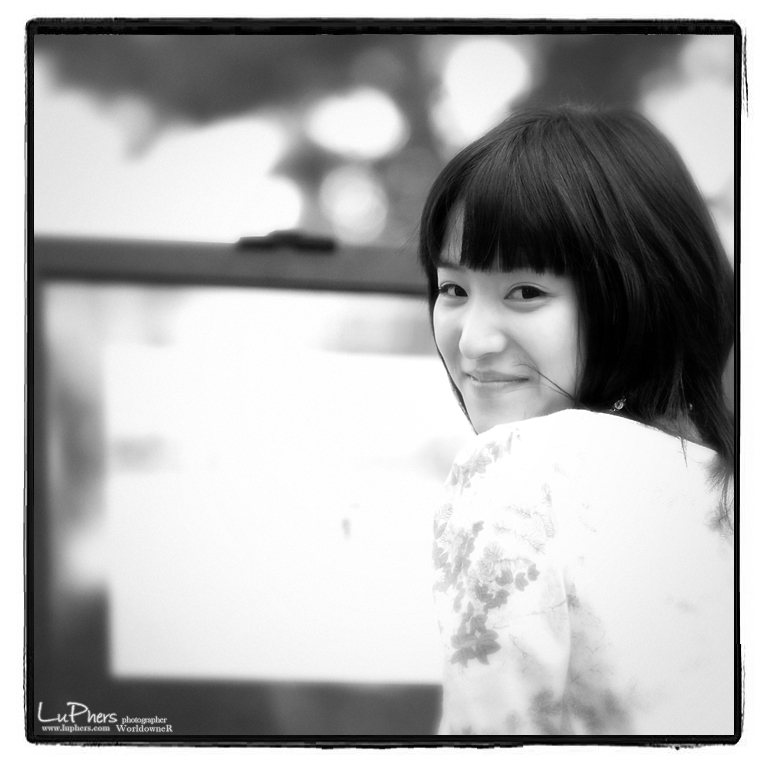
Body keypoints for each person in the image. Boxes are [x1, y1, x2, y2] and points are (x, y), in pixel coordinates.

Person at [419, 105, 735, 736]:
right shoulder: (724, 479)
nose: (473, 341)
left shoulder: (517, 471)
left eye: (526, 292)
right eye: (453, 289)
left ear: (637, 294)